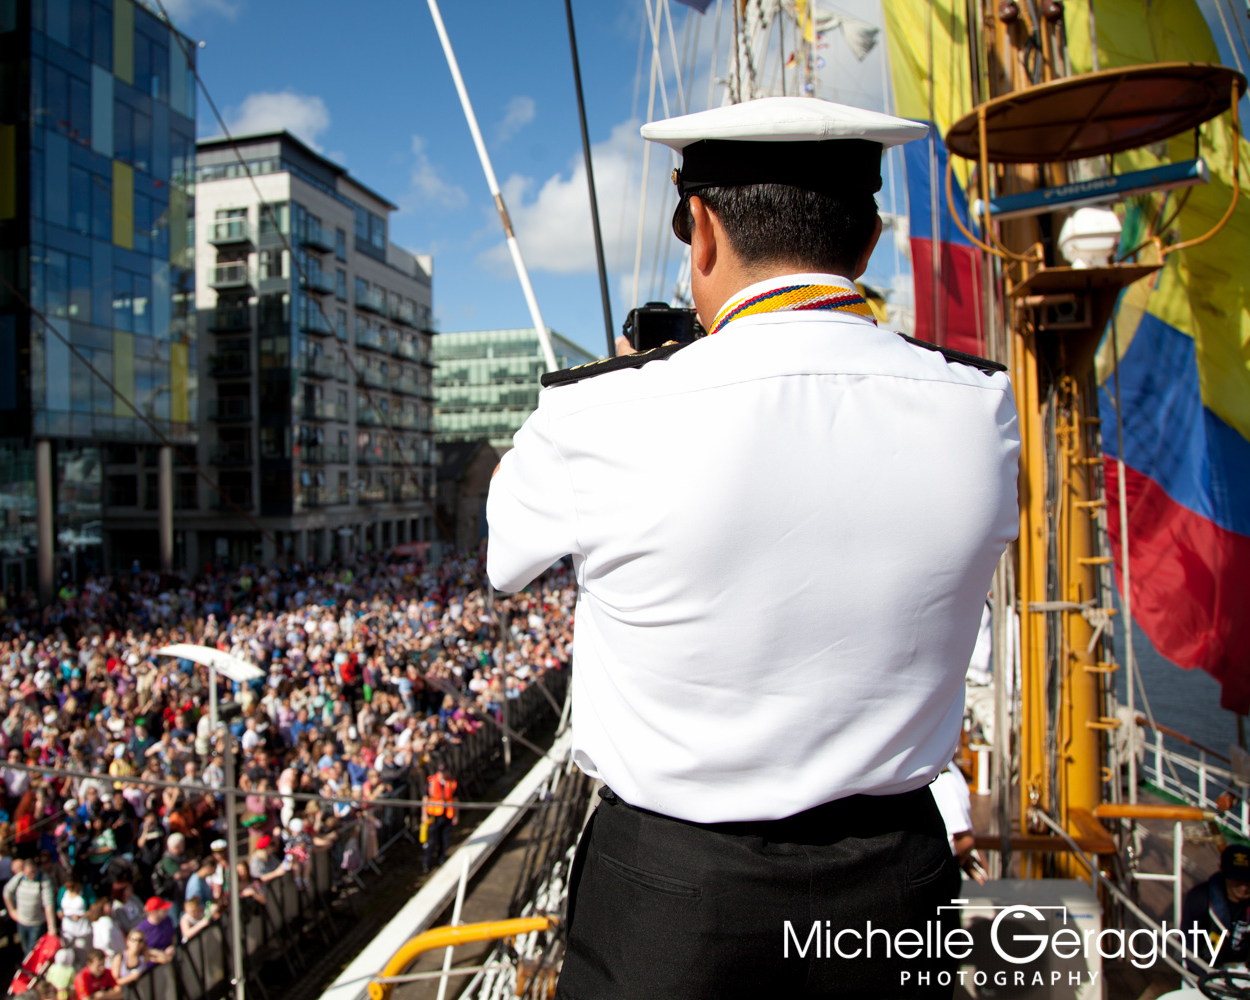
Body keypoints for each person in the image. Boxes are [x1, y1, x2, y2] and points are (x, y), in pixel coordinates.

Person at [487, 96, 1019, 1000]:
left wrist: (652, 364)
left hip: (675, 901)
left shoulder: (599, 411)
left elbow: (509, 555)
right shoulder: (981, 407)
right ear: (868, 241)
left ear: (700, 231)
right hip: (897, 885)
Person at [1185, 844, 1250, 971]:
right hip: (1206, 969)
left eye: (1248, 880)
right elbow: (1188, 943)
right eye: (1236, 880)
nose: (1244, 887)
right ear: (1221, 871)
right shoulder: (1199, 898)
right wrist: (1204, 976)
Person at [3, 857, 57, 954]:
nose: (31, 874)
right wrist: (12, 911)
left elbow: (48, 905)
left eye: (33, 871)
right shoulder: (19, 878)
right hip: (22, 922)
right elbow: (7, 892)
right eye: (29, 873)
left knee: (31, 952)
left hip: (37, 923)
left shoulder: (43, 880)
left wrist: (51, 928)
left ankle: (26, 968)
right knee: (25, 948)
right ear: (23, 871)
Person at [421, 763, 456, 874]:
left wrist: (456, 815)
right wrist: (424, 814)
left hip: (447, 815)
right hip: (434, 816)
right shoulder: (431, 782)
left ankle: (441, 859)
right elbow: (425, 798)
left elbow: (456, 799)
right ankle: (426, 862)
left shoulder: (452, 782)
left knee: (444, 839)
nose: (442, 774)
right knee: (431, 841)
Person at [132, 897, 176, 963]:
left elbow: (173, 936)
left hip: (172, 958)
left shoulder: (167, 920)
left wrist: (173, 946)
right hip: (154, 966)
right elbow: (141, 950)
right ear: (154, 912)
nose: (166, 910)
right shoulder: (141, 930)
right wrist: (158, 956)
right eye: (163, 909)